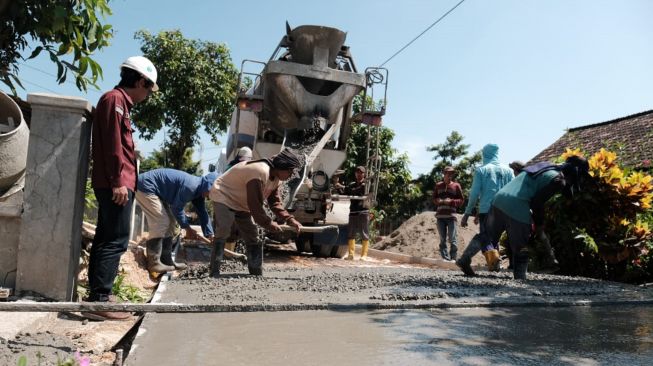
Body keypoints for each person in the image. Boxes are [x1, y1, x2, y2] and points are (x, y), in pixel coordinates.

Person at [84, 56, 158, 321]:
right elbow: (115, 146)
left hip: (117, 183)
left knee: (107, 238)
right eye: (148, 89)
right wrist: (118, 181)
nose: (148, 95)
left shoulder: (118, 103)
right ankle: (100, 300)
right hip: (116, 185)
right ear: (140, 82)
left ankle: (98, 296)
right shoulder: (115, 101)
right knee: (115, 240)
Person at [459, 156, 590, 279]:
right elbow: (537, 202)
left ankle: (465, 259)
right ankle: (520, 277)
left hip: (499, 200)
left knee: (486, 235)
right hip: (518, 204)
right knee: (521, 245)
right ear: (575, 173)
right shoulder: (558, 180)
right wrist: (539, 224)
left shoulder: (545, 166)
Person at [208, 149, 302, 277]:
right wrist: (268, 223)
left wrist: (290, 219)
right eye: (290, 171)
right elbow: (255, 206)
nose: (291, 175)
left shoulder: (276, 179)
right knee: (224, 228)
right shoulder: (259, 171)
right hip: (224, 195)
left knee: (252, 234)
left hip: (241, 202)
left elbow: (274, 203)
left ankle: (256, 272)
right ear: (282, 166)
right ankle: (214, 271)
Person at [135, 168, 219, 274]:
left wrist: (210, 234)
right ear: (209, 185)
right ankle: (154, 263)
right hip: (146, 186)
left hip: (157, 191)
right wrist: (187, 228)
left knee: (171, 222)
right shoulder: (191, 186)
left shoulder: (199, 191)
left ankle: (166, 260)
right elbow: (176, 208)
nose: (210, 196)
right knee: (161, 221)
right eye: (212, 192)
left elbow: (203, 213)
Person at [458, 144, 514, 272]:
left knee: (485, 236)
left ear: (485, 154)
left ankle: (467, 259)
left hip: (487, 209)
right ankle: (495, 266)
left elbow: (474, 194)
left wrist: (467, 213)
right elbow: (513, 191)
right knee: (493, 237)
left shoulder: (481, 170)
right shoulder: (509, 171)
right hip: (504, 210)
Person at [433, 166, 464, 261]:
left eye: (451, 174)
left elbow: (462, 200)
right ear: (444, 174)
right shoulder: (438, 185)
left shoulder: (456, 186)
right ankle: (445, 258)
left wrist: (451, 202)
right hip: (440, 216)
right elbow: (434, 199)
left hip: (451, 216)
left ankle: (453, 258)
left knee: (452, 239)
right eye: (448, 173)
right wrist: (438, 201)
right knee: (442, 239)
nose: (450, 175)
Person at [343, 166, 371, 260]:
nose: (359, 174)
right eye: (357, 172)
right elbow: (346, 191)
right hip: (353, 211)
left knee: (364, 233)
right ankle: (351, 254)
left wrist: (349, 190)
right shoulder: (352, 184)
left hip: (363, 211)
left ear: (364, 174)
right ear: (355, 174)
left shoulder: (366, 184)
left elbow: (357, 190)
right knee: (351, 233)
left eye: (361, 173)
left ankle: (364, 255)